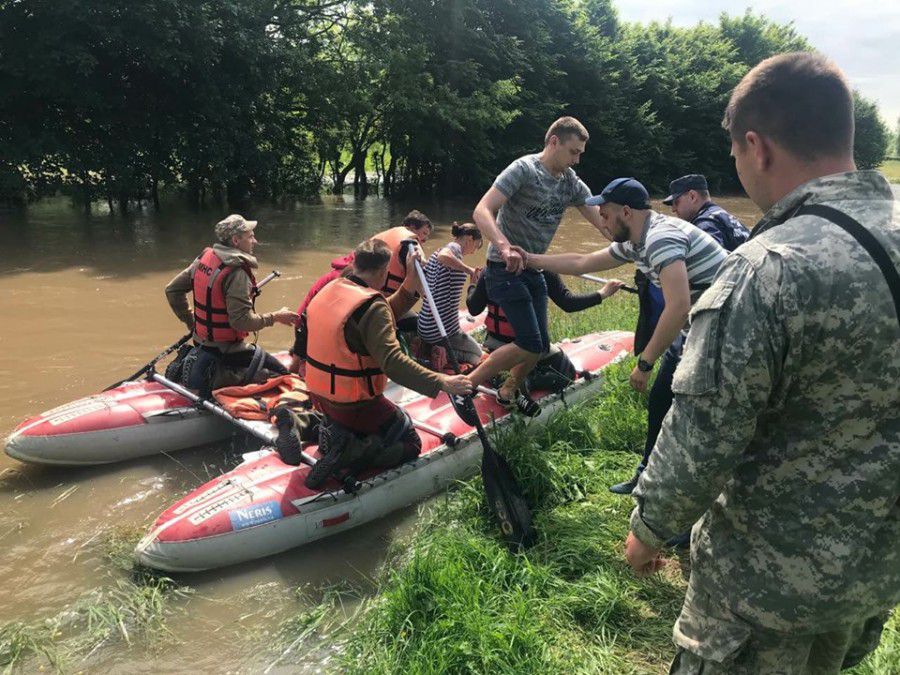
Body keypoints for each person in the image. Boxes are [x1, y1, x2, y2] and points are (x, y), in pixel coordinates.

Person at [624, 52, 900, 674]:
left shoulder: (767, 268)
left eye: (736, 157)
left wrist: (649, 528)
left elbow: (705, 428)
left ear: (757, 147)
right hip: (874, 572)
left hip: (763, 590)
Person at [519, 177, 726, 494]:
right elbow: (582, 261)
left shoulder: (660, 239)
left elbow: (678, 306)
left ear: (626, 212)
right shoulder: (636, 241)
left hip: (726, 329)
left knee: (699, 415)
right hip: (700, 327)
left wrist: (644, 363)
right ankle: (647, 476)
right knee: (661, 400)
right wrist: (530, 259)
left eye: (604, 213)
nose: (600, 219)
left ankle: (696, 504)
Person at [284, 238, 473, 487]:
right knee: (409, 440)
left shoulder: (331, 288)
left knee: (344, 420)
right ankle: (352, 452)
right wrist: (443, 381)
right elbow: (393, 362)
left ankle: (299, 421)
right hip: (355, 403)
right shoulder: (371, 308)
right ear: (384, 272)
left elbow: (375, 315)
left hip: (320, 396)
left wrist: (409, 284)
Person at [467, 116, 610, 415]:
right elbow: (482, 210)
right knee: (531, 343)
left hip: (534, 269)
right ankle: (464, 385)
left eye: (581, 154)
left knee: (541, 345)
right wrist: (505, 247)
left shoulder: (570, 182)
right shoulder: (524, 169)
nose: (577, 160)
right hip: (503, 268)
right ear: (554, 141)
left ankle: (508, 389)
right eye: (574, 152)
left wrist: (633, 243)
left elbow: (601, 221)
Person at [165, 214, 298, 393]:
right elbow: (241, 322)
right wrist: (275, 317)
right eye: (250, 236)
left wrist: (192, 323)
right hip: (226, 349)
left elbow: (172, 290)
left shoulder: (204, 258)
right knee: (283, 375)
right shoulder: (236, 271)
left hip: (201, 342)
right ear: (236, 240)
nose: (255, 241)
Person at [288, 210, 433, 373]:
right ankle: (298, 363)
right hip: (314, 330)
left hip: (317, 326)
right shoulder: (342, 284)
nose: (424, 240)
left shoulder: (370, 266)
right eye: (423, 234)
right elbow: (306, 319)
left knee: (411, 321)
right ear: (380, 271)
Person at [466, 269, 623, 390]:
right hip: (529, 347)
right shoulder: (541, 271)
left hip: (494, 344)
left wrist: (473, 284)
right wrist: (603, 293)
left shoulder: (490, 271)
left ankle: (503, 374)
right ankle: (528, 380)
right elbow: (568, 303)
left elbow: (473, 308)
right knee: (566, 371)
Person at [416, 222, 484, 368]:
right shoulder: (453, 249)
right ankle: (443, 353)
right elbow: (443, 256)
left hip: (425, 325)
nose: (473, 252)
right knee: (477, 355)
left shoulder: (437, 253)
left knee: (472, 345)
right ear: (469, 238)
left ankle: (429, 348)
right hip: (441, 330)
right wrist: (470, 270)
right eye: (476, 246)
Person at [663, 173, 750, 252]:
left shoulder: (705, 224)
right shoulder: (721, 215)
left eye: (676, 203)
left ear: (692, 196)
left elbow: (713, 260)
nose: (673, 209)